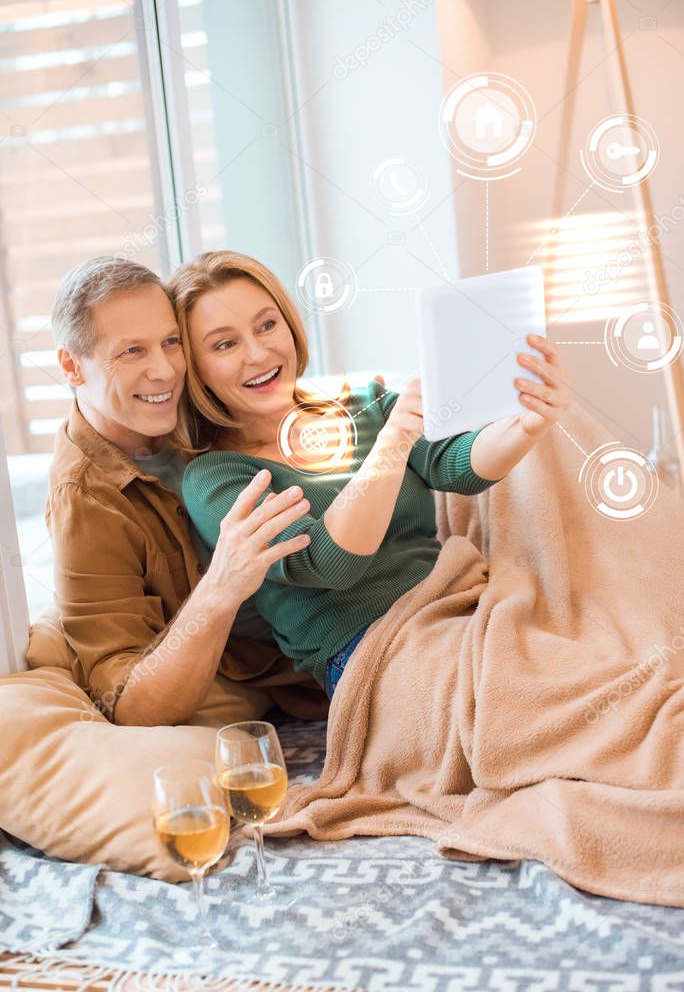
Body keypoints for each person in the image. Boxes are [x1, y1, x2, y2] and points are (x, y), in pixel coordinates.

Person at [169, 251, 571, 699]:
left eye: (267, 325)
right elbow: (327, 563)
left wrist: (524, 427)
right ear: (196, 369)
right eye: (225, 344)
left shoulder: (364, 402)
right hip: (370, 656)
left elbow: (456, 465)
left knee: (583, 671)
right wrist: (392, 443)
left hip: (456, 610)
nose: (259, 353)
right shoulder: (218, 477)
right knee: (523, 695)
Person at [49, 256, 329, 727]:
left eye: (170, 342)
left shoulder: (198, 399)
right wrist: (222, 586)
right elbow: (128, 703)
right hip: (303, 666)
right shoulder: (86, 502)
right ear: (71, 366)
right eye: (131, 352)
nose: (164, 372)